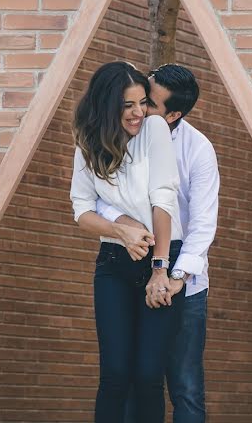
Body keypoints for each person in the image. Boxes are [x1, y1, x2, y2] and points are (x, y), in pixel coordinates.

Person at [97, 64, 219, 423]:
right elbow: (99, 194)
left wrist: (175, 277)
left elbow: (202, 224)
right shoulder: (123, 136)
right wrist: (124, 223)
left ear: (174, 114)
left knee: (185, 388)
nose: (139, 109)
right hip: (134, 269)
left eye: (149, 103)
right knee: (138, 379)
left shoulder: (198, 150)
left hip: (185, 280)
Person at [70, 61, 184, 423]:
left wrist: (159, 268)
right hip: (114, 263)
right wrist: (120, 229)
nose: (139, 113)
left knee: (149, 376)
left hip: (161, 255)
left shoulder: (154, 129)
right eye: (128, 105)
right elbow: (81, 209)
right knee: (115, 376)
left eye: (142, 102)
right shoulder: (89, 141)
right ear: (107, 106)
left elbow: (163, 198)